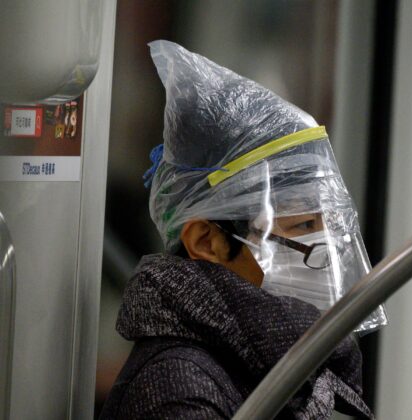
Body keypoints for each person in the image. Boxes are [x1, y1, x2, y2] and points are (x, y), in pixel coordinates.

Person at [99, 40, 386, 419]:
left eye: (328, 225)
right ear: (207, 242)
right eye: (302, 224)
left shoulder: (263, 363)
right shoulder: (179, 392)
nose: (326, 247)